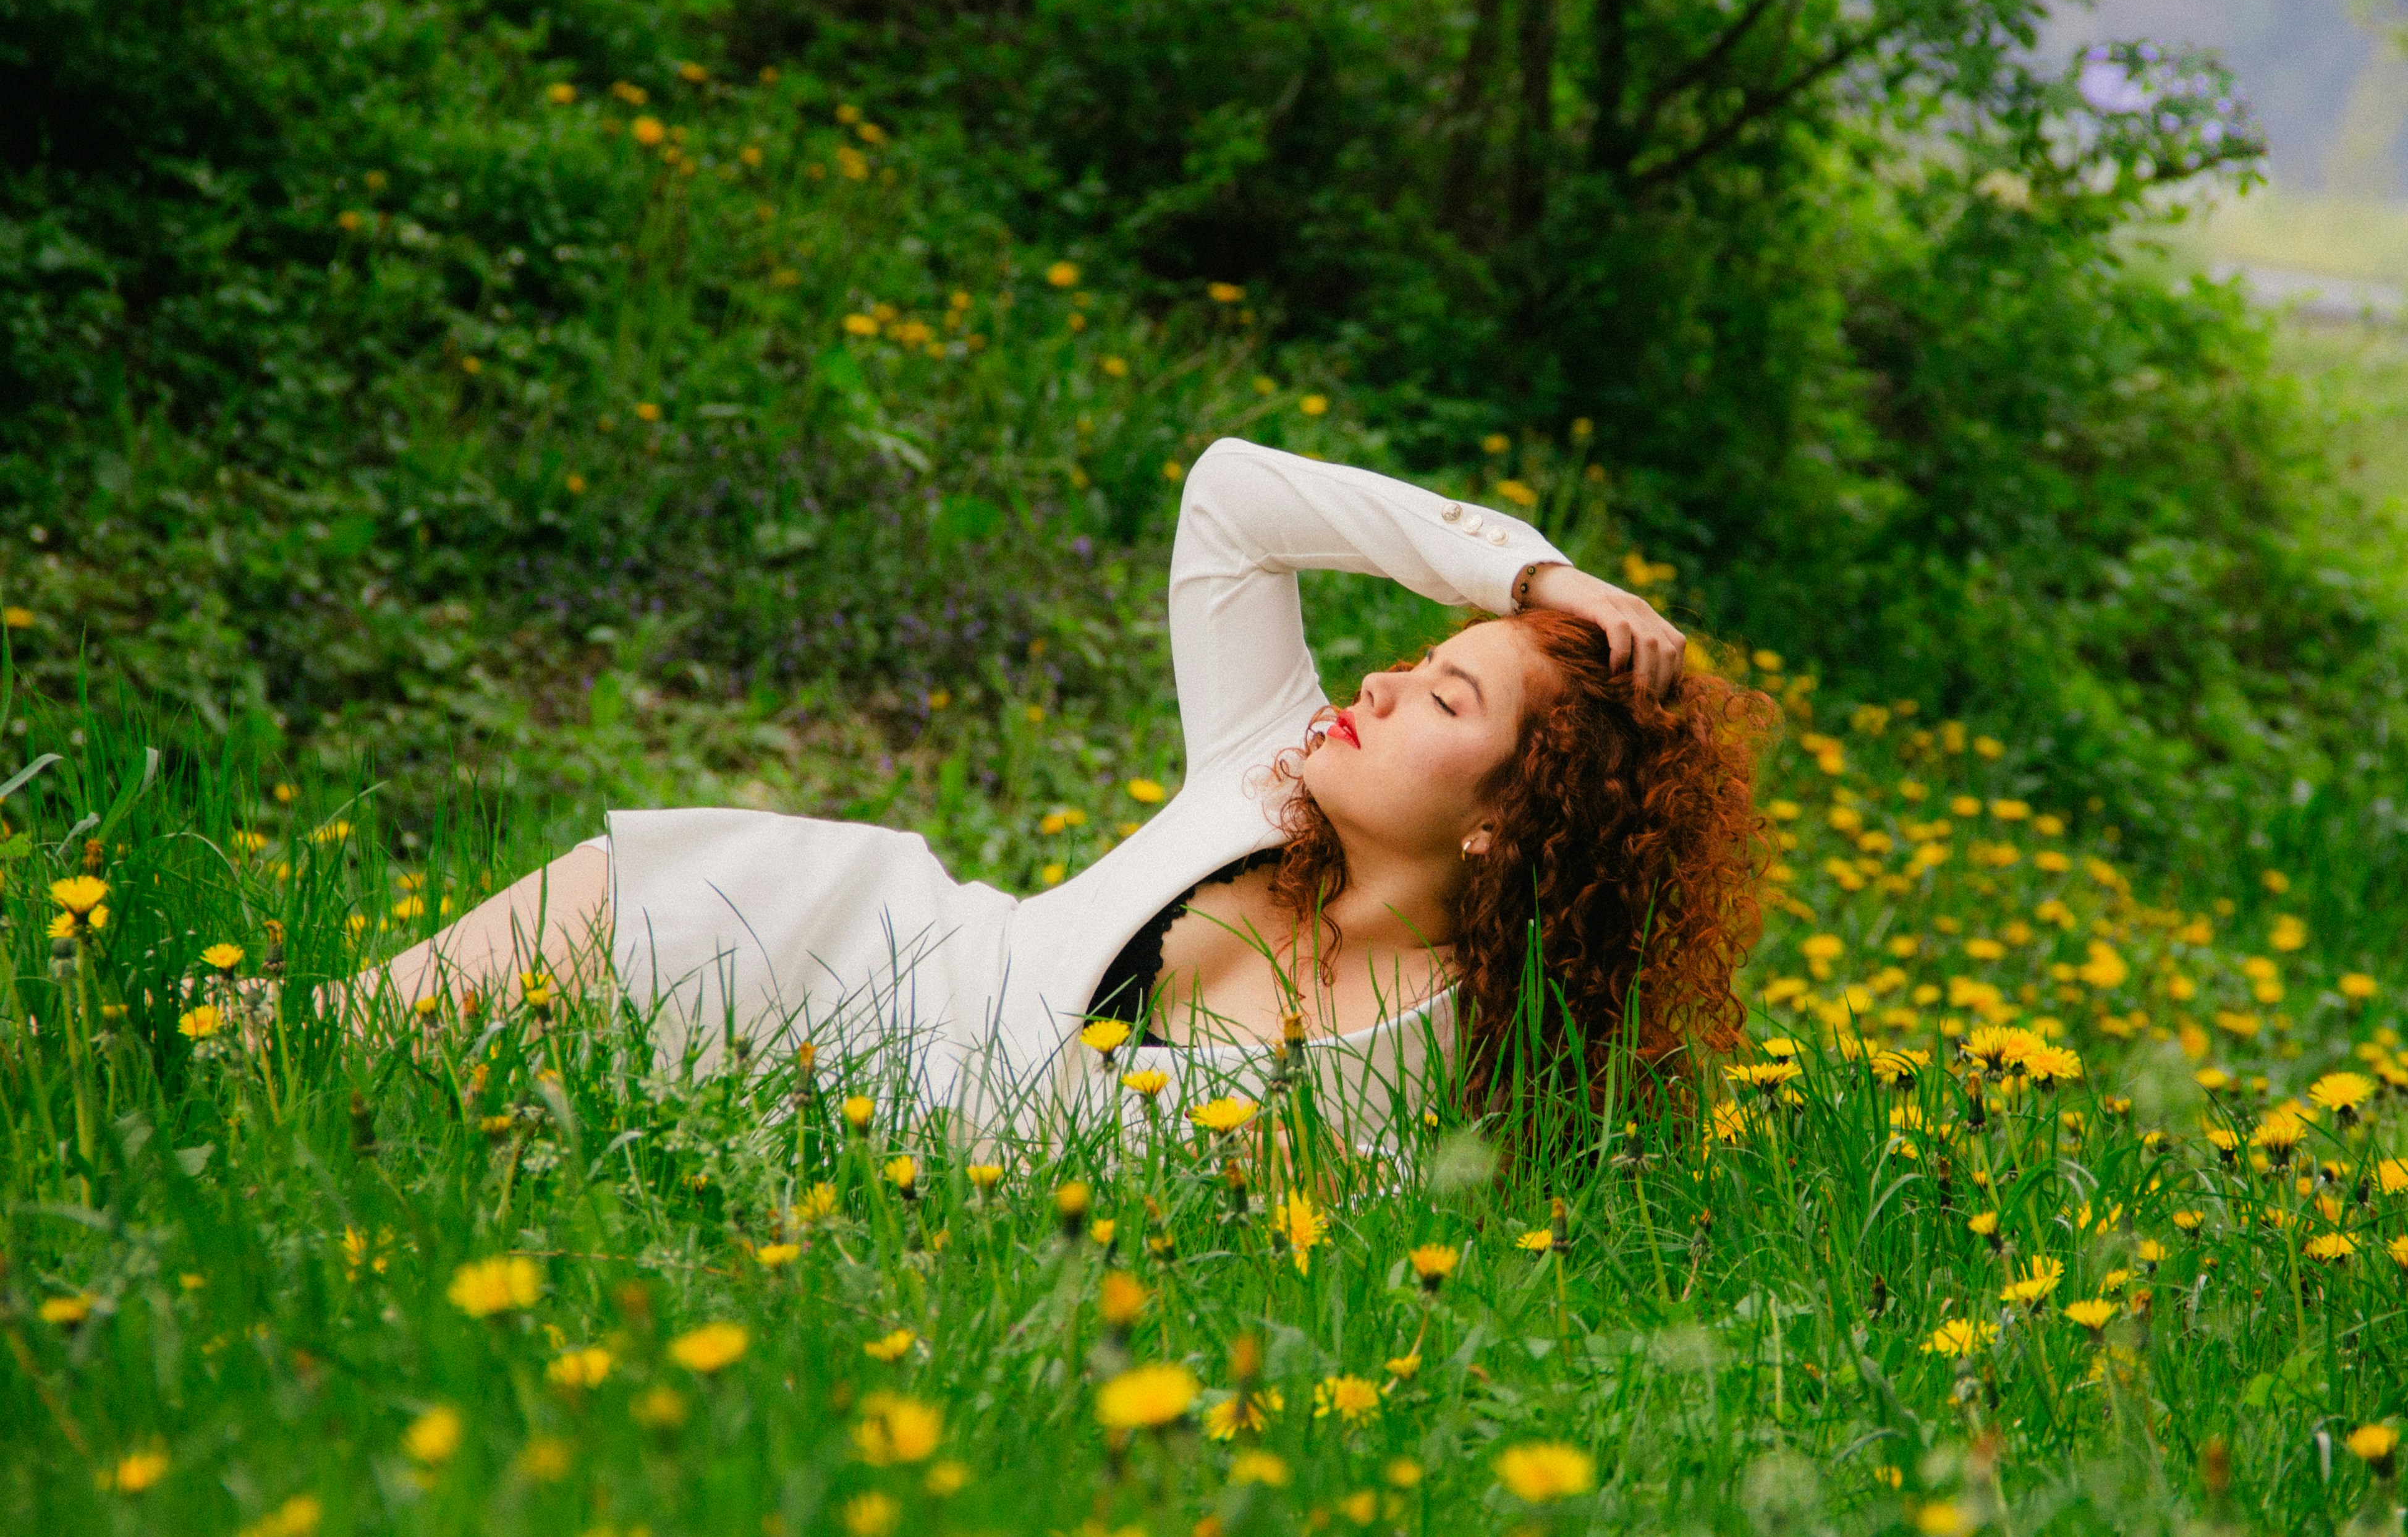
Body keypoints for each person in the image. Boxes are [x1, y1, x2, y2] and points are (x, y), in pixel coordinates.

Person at [346, 435, 1773, 1138]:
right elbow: (1232, 494)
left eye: (1446, 697)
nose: (1381, 687)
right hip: (819, 943)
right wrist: (1524, 574)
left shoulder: (1434, 1071)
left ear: (1504, 818)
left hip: (853, 1151)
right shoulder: (1261, 765)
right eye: (1412, 661)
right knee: (313, 1049)